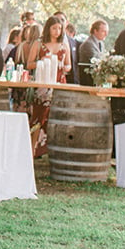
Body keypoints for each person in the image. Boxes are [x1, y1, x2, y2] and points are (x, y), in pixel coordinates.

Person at [27, 15, 72, 157]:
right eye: (54, 28)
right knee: (39, 116)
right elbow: (29, 64)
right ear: (48, 28)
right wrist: (42, 61)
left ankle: (52, 151)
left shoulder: (64, 45)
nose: (57, 31)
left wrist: (64, 67)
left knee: (55, 116)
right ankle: (32, 148)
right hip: (42, 83)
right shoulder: (39, 44)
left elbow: (69, 65)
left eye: (59, 28)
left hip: (59, 83)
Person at [78, 19, 109, 86]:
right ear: (95, 31)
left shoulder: (101, 43)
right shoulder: (88, 44)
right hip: (88, 81)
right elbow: (97, 60)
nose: (106, 34)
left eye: (107, 31)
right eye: (103, 31)